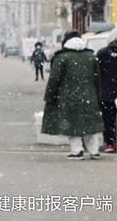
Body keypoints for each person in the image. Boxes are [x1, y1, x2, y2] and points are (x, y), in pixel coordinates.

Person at [41, 31, 104, 160]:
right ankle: (94, 151)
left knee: (72, 125)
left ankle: (77, 151)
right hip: (89, 96)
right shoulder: (90, 56)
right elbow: (98, 79)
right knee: (89, 125)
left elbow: (54, 79)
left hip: (69, 97)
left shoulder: (62, 57)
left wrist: (50, 96)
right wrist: (98, 95)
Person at [96, 28, 117, 153]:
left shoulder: (102, 53)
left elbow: (97, 73)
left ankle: (109, 143)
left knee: (107, 120)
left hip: (106, 94)